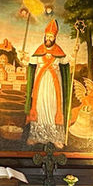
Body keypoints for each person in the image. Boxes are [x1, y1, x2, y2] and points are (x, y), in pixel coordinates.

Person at [24, 19, 70, 147]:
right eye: (47, 36)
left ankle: (55, 137)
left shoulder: (59, 52)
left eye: (51, 36)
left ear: (55, 37)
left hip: (54, 86)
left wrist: (75, 52)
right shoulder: (38, 51)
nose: (49, 38)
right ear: (44, 36)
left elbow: (66, 64)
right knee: (39, 107)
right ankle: (36, 136)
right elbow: (31, 64)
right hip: (40, 86)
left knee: (53, 107)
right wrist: (24, 59)